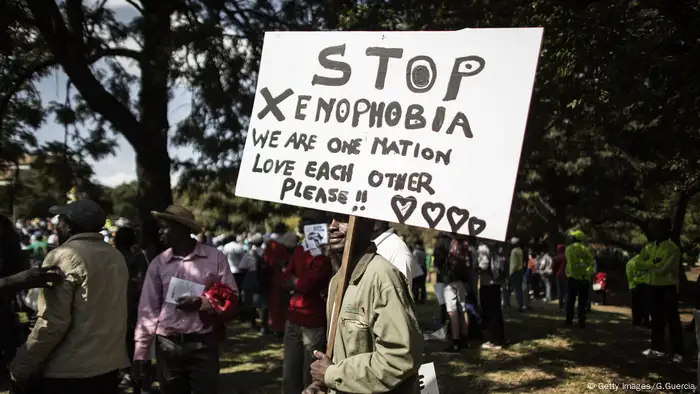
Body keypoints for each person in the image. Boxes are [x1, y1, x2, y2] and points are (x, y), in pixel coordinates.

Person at [9, 200, 128, 394]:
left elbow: (52, 323)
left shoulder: (64, 256)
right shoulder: (115, 256)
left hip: (69, 372)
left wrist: (21, 367)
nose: (56, 227)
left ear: (70, 226)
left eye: (60, 221)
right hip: (108, 367)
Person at [304, 216, 422, 394]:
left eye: (344, 219)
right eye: (330, 218)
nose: (333, 226)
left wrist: (332, 374)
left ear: (368, 224)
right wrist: (323, 384)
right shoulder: (338, 281)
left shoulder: (383, 277)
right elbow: (341, 354)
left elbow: (399, 359)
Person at [132, 205, 237, 394]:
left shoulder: (215, 258)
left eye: (165, 227)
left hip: (204, 343)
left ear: (182, 229)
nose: (160, 232)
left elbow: (231, 296)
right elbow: (147, 311)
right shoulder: (158, 264)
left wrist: (201, 303)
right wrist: (141, 354)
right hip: (168, 346)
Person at [281, 210, 331, 394]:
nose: (304, 224)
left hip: (313, 321)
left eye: (309, 221)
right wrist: (297, 282)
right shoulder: (301, 249)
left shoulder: (325, 252)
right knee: (289, 374)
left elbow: (310, 282)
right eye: (304, 221)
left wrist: (296, 282)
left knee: (309, 375)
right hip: (294, 317)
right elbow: (285, 278)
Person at [637, 218, 684, 362]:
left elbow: (662, 269)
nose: (657, 231)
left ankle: (678, 352)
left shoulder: (673, 248)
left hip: (668, 288)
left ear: (667, 230)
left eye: (660, 228)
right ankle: (657, 348)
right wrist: (653, 264)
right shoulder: (649, 247)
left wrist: (648, 264)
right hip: (653, 287)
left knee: (672, 320)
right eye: (655, 228)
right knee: (656, 320)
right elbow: (638, 264)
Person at [113, 227, 148, 391]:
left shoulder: (112, 257)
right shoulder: (139, 257)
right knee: (137, 345)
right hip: (136, 307)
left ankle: (127, 374)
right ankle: (138, 379)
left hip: (118, 308)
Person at [477, 242, 505, 349]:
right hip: (497, 282)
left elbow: (484, 264)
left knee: (489, 311)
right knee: (497, 311)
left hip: (488, 282)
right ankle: (499, 338)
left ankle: (494, 340)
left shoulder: (483, 247)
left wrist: (475, 268)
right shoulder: (497, 246)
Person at [564, 230, 594, 328]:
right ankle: (582, 321)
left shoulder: (569, 249)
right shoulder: (586, 249)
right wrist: (586, 273)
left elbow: (570, 263)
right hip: (584, 279)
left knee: (570, 301)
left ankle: (569, 320)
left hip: (573, 277)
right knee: (582, 302)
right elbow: (591, 263)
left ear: (574, 238)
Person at [508, 238, 525, 311]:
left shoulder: (514, 251)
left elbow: (514, 263)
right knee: (519, 289)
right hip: (520, 270)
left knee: (516, 289)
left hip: (515, 272)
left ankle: (519, 306)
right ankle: (520, 304)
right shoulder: (520, 250)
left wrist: (511, 272)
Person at [552, 244, 567, 310]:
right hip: (567, 275)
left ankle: (560, 304)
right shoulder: (567, 257)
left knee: (560, 290)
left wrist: (554, 273)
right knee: (566, 291)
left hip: (558, 275)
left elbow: (554, 268)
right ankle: (566, 304)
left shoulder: (556, 258)